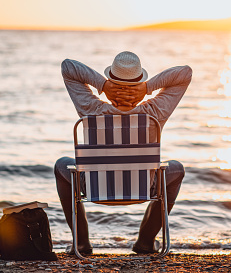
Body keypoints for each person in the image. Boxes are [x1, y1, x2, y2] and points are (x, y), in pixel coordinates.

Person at [54, 51, 192, 255]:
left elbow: (68, 67)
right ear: (139, 82)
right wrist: (147, 88)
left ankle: (82, 243)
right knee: (176, 169)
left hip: (95, 189)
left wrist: (103, 86)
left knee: (61, 165)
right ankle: (145, 242)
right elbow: (185, 74)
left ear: (111, 79)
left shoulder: (91, 109)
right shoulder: (154, 113)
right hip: (144, 189)